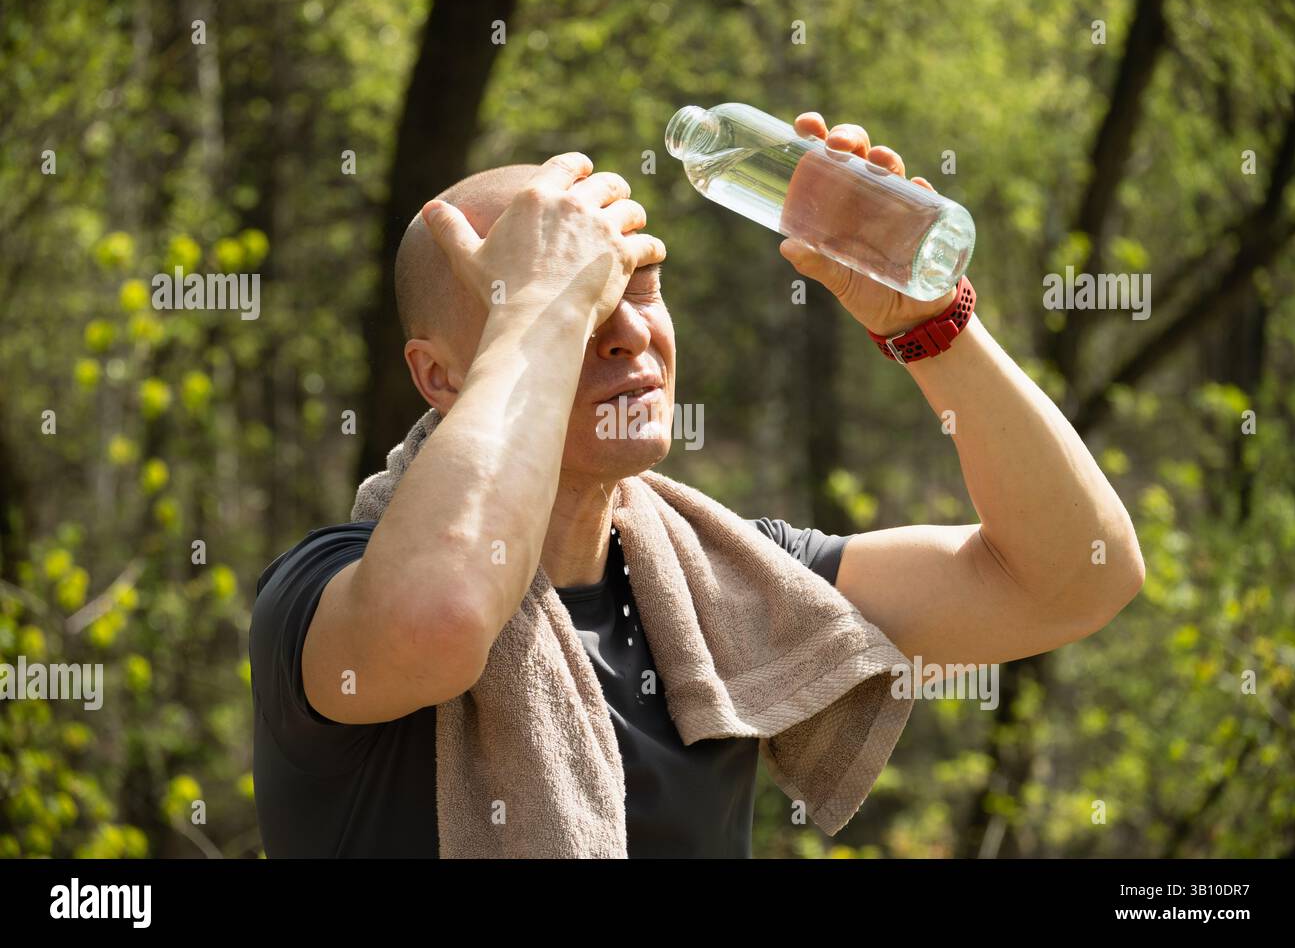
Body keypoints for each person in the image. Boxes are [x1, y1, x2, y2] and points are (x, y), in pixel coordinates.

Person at [248, 112, 1144, 857]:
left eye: (642, 285)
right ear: (440, 378)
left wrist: (929, 324)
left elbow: (1073, 578)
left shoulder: (731, 583)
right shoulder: (325, 593)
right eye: (579, 298)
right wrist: (538, 311)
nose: (630, 331)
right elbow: (440, 619)